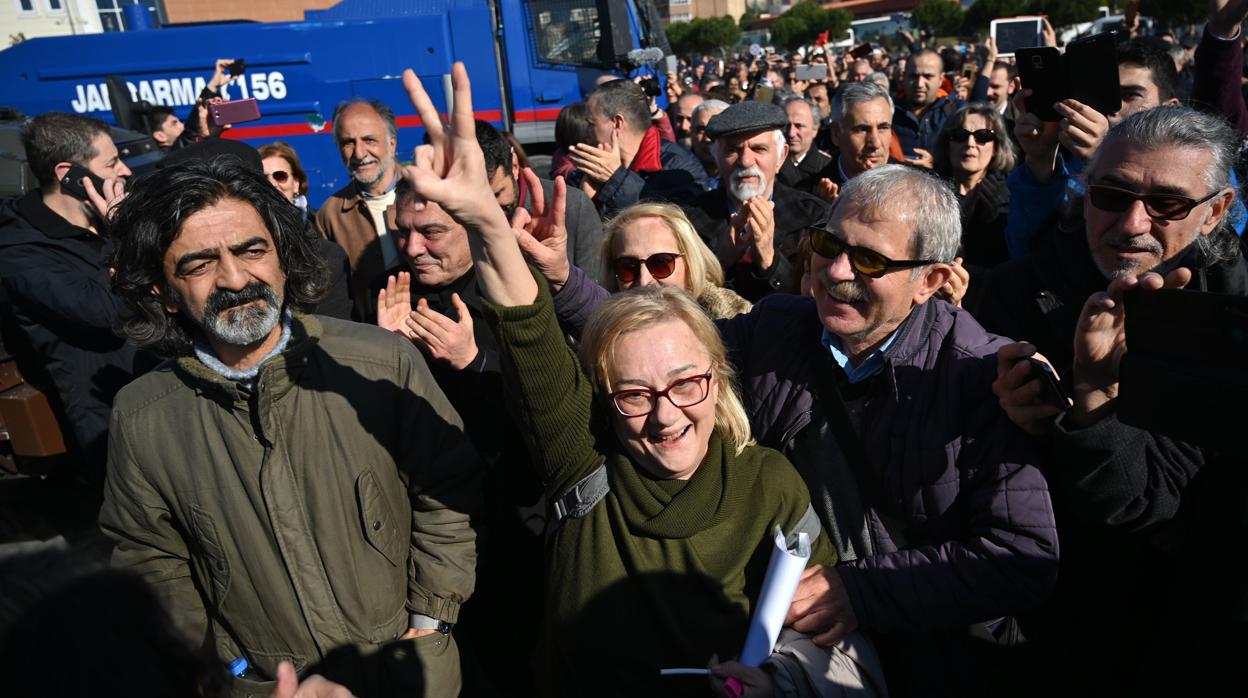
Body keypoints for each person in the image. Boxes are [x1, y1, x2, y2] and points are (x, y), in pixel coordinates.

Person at [396, 61, 885, 698]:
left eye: (687, 384)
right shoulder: (584, 466)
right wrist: (489, 223)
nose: (665, 416)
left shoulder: (769, 484)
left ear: (719, 376)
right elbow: (529, 331)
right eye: (633, 394)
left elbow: (829, 634)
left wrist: (778, 681)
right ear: (602, 395)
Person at [100, 157, 480, 698]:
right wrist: (217, 671)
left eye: (252, 250)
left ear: (283, 257)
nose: (235, 279)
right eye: (200, 264)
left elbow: (447, 489)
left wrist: (431, 619)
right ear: (162, 289)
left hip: (409, 670)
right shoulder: (142, 417)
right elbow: (150, 562)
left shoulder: (377, 362)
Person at [974, 105, 1245, 697]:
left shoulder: (1233, 317)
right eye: (1111, 194)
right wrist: (1007, 413)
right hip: (1041, 628)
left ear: (1216, 212)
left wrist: (1093, 397)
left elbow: (1159, 500)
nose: (1131, 223)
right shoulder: (1013, 294)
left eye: (1167, 204)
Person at [376, 174, 545, 697]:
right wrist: (382, 354)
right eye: (402, 232)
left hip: (511, 523)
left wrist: (473, 365)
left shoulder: (511, 287)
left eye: (430, 232)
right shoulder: (392, 287)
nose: (412, 248)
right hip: (424, 530)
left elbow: (547, 413)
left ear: (469, 228)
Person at [0, 112, 137, 476]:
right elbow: (107, 313)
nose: (124, 171)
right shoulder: (20, 253)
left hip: (162, 391)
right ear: (69, 175)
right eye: (111, 163)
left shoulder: (105, 224)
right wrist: (125, 238)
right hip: (111, 423)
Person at [681, 101, 829, 301]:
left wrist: (770, 259)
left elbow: (818, 303)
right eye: (732, 150)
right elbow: (682, 300)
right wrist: (720, 261)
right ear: (716, 158)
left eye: (759, 149)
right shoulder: (689, 221)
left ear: (781, 156)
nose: (745, 161)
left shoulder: (814, 217)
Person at [477, 120, 605, 283]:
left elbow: (596, 289)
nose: (491, 209)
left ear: (514, 166)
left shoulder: (574, 206)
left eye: (497, 194)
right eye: (479, 200)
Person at [316, 97, 404, 318]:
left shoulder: (426, 193)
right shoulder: (330, 215)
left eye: (369, 140)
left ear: (392, 144)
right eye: (348, 142)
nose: (359, 153)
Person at [568, 78, 707, 215]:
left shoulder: (678, 166)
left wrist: (617, 179)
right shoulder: (591, 169)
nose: (586, 133)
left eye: (591, 124)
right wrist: (586, 205)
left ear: (617, 123)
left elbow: (681, 225)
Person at [932, 103, 1019, 267]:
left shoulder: (1010, 195)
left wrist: (994, 220)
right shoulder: (930, 192)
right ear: (947, 143)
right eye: (960, 135)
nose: (970, 143)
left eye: (983, 136)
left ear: (996, 148)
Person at [893, 48, 991, 163]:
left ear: (940, 79)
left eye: (928, 77)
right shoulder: (888, 112)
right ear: (904, 77)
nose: (919, 84)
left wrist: (936, 166)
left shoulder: (958, 113)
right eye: (913, 76)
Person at [812, 81, 900, 203]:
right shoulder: (810, 197)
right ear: (836, 133)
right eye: (862, 129)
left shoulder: (916, 189)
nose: (875, 143)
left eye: (883, 128)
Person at [778, 97, 832, 194]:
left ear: (814, 130)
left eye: (799, 126)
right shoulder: (768, 163)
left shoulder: (828, 168)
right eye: (786, 125)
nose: (791, 133)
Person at [258, 141, 313, 220]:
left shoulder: (318, 224)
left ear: (296, 183)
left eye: (280, 176)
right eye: (263, 178)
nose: (272, 184)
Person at [690, 98, 729, 184]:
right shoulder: (677, 172)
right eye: (701, 130)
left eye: (715, 130)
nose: (707, 139)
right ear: (691, 132)